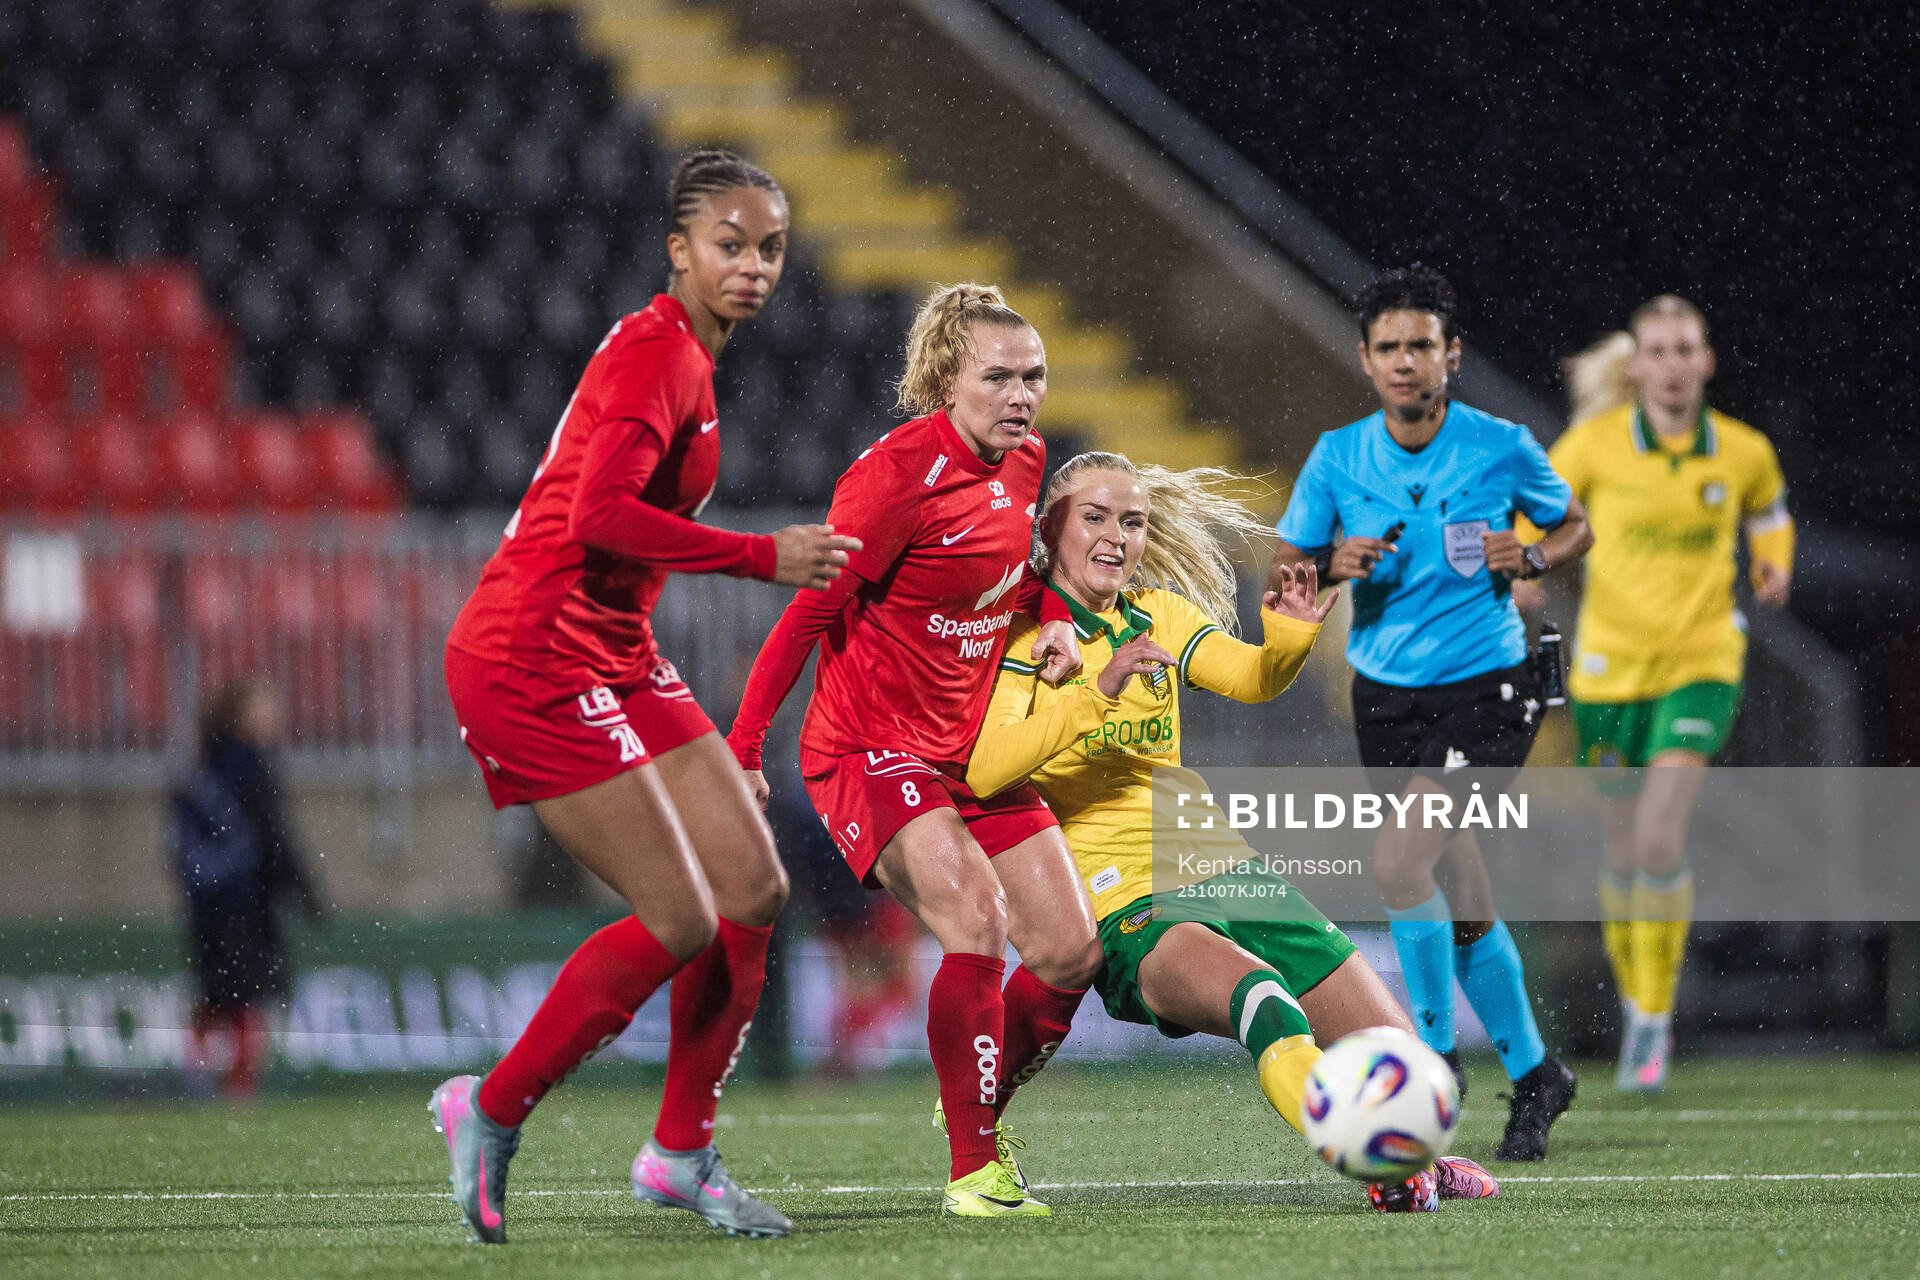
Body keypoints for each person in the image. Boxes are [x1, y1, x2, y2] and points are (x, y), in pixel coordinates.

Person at [432, 149, 860, 1244]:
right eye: (730, 243)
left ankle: (678, 1151)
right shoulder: (656, 357)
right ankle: (489, 1106)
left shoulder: (691, 361)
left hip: (612, 645)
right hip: (530, 652)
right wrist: (763, 556)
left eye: (770, 247)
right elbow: (598, 520)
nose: (754, 266)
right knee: (679, 914)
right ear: (678, 250)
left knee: (756, 884)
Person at [966, 450, 1501, 1212]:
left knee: (1404, 1059)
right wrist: (1096, 693)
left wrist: (1286, 640)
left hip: (1221, 867)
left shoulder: (1157, 616)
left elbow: (1251, 678)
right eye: (1096, 517)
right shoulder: (1018, 640)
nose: (1117, 536)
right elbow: (985, 771)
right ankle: (1374, 1164)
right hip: (1121, 899)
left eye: (1134, 521)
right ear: (1049, 529)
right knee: (1267, 1002)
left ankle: (1412, 1148)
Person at [728, 283, 1093, 1219]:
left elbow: (1020, 582)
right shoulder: (893, 478)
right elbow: (809, 611)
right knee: (976, 919)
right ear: (945, 380)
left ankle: (970, 1098)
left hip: (971, 751)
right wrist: (743, 745)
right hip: (866, 749)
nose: (1022, 396)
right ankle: (976, 1167)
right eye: (1000, 377)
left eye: (1035, 377)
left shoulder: (1028, 464)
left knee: (1069, 950)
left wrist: (1052, 623)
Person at [1269, 266, 1593, 1161]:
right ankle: (1536, 1073)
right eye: (1388, 348)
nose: (1405, 362)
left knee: (1399, 861)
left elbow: (1574, 528)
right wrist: (1334, 562)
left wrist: (1529, 555)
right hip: (1386, 698)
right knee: (1463, 896)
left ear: (1450, 354)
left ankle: (1429, 1058)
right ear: (1365, 362)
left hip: (1490, 688)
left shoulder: (1499, 445)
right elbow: (1287, 574)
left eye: (1421, 345)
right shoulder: (1338, 456)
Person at [1545, 295, 1793, 1092]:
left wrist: (1773, 560)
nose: (1675, 363)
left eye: (1687, 348)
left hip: (1702, 662)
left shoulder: (1745, 451)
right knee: (1621, 847)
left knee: (1657, 838)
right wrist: (1525, 566)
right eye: (1659, 350)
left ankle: (1654, 1015)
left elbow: (1771, 511)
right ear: (1638, 365)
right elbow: (1533, 511)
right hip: (1609, 673)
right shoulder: (1593, 445)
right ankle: (1638, 1003)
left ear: (1706, 361)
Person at [169, 679, 324, 1102]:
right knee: (248, 994)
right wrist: (304, 891)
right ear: (243, 717)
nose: (275, 717)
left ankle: (196, 1075)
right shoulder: (249, 766)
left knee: (216, 992)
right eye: (265, 708)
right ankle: (239, 1087)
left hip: (207, 901)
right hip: (245, 900)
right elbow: (273, 836)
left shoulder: (202, 767)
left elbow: (180, 839)